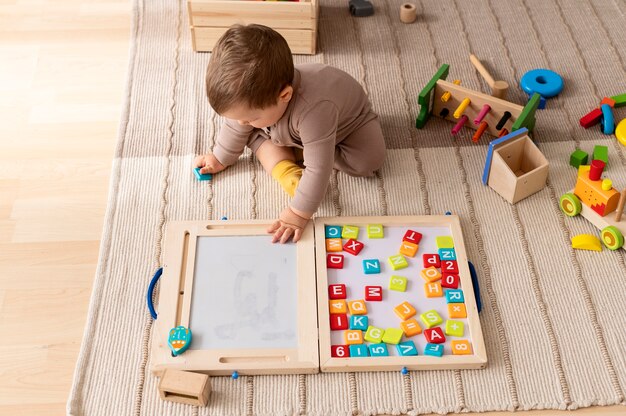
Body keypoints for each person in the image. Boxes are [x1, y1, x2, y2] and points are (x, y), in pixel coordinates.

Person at [194, 24, 386, 243]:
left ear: (284, 95)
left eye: (250, 118)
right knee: (248, 131)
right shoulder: (259, 104)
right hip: (293, 128)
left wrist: (297, 213)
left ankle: (304, 150)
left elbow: (318, 169)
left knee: (369, 160)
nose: (241, 123)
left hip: (348, 127)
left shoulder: (314, 110)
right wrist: (220, 157)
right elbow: (237, 124)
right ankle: (287, 164)